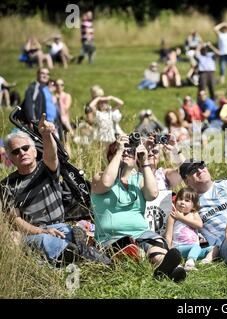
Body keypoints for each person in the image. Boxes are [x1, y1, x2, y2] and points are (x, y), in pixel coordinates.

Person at [0, 117, 109, 265]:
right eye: (15, 151)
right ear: (10, 157)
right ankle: (79, 253)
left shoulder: (45, 168)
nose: (22, 153)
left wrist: (46, 135)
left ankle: (87, 252)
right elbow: (15, 220)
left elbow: (51, 156)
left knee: (90, 231)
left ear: (34, 150)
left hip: (61, 226)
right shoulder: (6, 185)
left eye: (25, 148)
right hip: (35, 232)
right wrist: (41, 232)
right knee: (45, 241)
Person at [91, 136, 186, 282]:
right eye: (123, 150)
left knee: (155, 244)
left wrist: (144, 160)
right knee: (133, 249)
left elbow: (153, 194)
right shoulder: (99, 177)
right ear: (111, 156)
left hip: (142, 233)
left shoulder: (139, 180)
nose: (127, 153)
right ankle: (168, 269)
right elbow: (107, 182)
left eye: (131, 151)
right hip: (112, 238)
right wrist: (119, 151)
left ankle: (163, 264)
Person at [165, 187, 219, 271]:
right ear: (175, 201)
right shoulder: (173, 216)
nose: (182, 202)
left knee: (214, 248)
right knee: (196, 246)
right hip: (179, 248)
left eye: (187, 201)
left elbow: (199, 225)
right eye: (180, 199)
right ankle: (190, 263)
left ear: (193, 206)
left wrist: (181, 218)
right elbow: (168, 235)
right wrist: (169, 250)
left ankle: (206, 261)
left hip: (194, 250)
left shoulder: (193, 214)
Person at [22, 68, 61, 136]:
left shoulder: (43, 89)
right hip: (34, 124)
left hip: (45, 124)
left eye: (47, 74)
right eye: (43, 73)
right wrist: (32, 120)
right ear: (37, 75)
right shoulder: (34, 87)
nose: (45, 76)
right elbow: (29, 104)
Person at [54, 79, 73, 156]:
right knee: (58, 142)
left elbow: (66, 108)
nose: (59, 87)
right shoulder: (52, 96)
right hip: (55, 121)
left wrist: (59, 100)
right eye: (57, 85)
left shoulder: (67, 96)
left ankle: (69, 158)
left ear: (63, 86)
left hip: (64, 121)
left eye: (61, 85)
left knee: (66, 141)